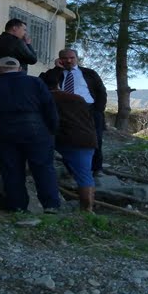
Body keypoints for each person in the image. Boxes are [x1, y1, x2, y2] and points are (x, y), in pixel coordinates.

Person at [0, 57, 60, 213]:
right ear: (20, 69)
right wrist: (51, 130)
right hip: (36, 131)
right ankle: (51, 206)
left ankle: (17, 207)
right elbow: (50, 109)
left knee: (12, 170)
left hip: (4, 133)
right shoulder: (35, 82)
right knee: (43, 168)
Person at [39, 48, 107, 176]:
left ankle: (97, 168)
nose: (68, 60)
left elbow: (101, 91)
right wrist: (57, 69)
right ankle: (72, 169)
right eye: (64, 58)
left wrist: (98, 110)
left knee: (96, 138)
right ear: (59, 60)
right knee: (67, 139)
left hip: (89, 109)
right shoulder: (53, 73)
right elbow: (46, 85)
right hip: (65, 111)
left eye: (72, 58)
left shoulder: (89, 73)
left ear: (77, 58)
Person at [42, 74, 97, 212]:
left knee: (44, 167)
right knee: (85, 175)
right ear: (58, 84)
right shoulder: (78, 98)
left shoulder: (46, 99)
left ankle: (84, 210)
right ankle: (87, 209)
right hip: (87, 139)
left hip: (66, 139)